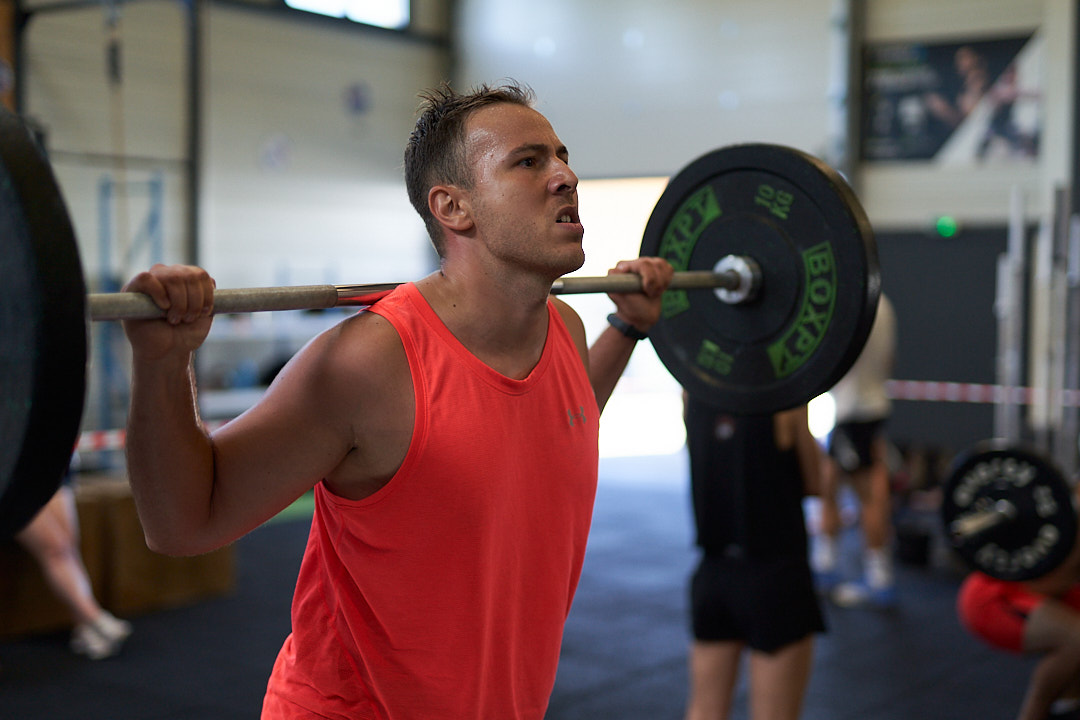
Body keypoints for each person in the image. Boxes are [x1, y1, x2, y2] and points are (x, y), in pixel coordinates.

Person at [119, 80, 673, 719]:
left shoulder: (565, 331)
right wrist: (163, 363)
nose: (566, 177)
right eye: (528, 162)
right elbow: (183, 524)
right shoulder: (371, 363)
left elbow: (549, 427)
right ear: (453, 207)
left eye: (561, 156)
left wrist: (626, 327)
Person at [682, 395, 826, 720]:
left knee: (703, 711)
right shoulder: (785, 400)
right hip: (776, 576)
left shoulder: (693, 393)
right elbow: (816, 482)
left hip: (713, 573)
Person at [811, 293, 898, 608]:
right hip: (865, 408)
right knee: (830, 483)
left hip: (855, 411)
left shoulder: (851, 304)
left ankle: (879, 578)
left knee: (869, 495)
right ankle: (826, 564)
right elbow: (888, 360)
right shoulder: (883, 303)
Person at [958, 502, 1080, 720]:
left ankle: (1067, 703)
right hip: (995, 597)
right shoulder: (1068, 521)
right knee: (1076, 639)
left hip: (1037, 593)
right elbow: (1049, 583)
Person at [14, 472, 132, 660]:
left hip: (46, 467)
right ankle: (95, 618)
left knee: (69, 545)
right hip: (10, 478)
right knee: (56, 547)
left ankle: (85, 629)